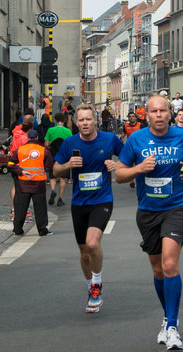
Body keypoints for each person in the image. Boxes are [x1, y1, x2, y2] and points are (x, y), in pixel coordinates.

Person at [115, 95, 183, 352]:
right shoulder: (136, 139)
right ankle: (168, 317)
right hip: (147, 211)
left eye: (162, 111)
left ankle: (172, 328)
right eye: (153, 111)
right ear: (147, 115)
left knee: (170, 263)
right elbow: (119, 175)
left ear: (171, 113)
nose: (158, 115)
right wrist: (138, 169)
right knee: (158, 270)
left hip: (176, 207)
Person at [53, 103, 123, 313]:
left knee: (93, 244)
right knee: (84, 254)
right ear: (76, 122)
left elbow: (130, 158)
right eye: (81, 120)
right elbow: (55, 170)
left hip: (102, 200)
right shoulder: (69, 143)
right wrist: (68, 166)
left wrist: (118, 165)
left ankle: (97, 285)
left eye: (88, 119)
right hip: (79, 203)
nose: (85, 123)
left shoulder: (109, 140)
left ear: (95, 120)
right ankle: (90, 286)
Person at [9, 130, 54, 236]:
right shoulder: (44, 151)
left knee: (21, 207)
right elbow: (48, 167)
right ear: (37, 138)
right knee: (40, 208)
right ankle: (42, 230)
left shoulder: (20, 150)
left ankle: (17, 229)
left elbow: (10, 164)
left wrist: (21, 171)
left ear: (28, 138)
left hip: (23, 183)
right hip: (39, 184)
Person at [45, 112, 72, 206]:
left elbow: (46, 144)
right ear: (64, 120)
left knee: (52, 176)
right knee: (63, 178)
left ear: (55, 120)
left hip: (53, 155)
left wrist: (51, 148)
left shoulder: (50, 130)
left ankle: (52, 190)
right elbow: (70, 145)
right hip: (64, 157)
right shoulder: (68, 131)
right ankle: (60, 198)